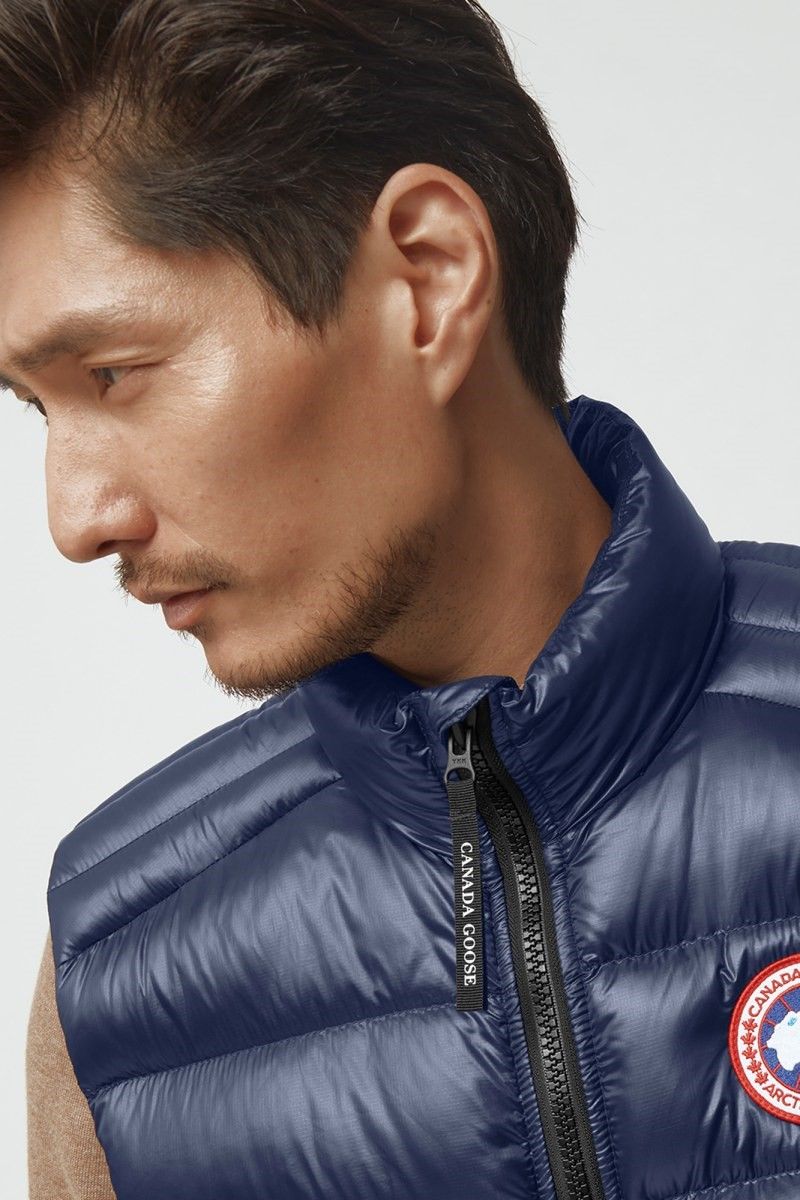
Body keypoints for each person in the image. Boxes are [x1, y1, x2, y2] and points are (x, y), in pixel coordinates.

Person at [8, 1, 799, 1198]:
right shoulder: (119, 983)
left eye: (114, 374)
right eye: (37, 407)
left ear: (427, 279)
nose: (75, 519)